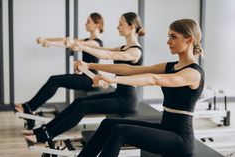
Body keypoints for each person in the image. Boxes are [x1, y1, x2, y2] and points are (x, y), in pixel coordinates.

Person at [75, 18, 204, 157]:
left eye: (173, 37)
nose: (168, 42)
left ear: (189, 39)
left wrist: (114, 79)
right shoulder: (171, 66)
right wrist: (91, 65)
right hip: (165, 128)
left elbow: (154, 79)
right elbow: (129, 69)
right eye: (168, 37)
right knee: (108, 123)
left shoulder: (193, 73)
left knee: (120, 131)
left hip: (180, 139)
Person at [24, 12, 145, 143]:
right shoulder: (123, 47)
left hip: (126, 100)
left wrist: (83, 48)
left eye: (121, 24)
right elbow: (105, 50)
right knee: (79, 102)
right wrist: (82, 46)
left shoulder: (135, 51)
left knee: (84, 107)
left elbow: (108, 56)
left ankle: (45, 136)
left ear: (132, 26)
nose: (117, 27)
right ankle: (43, 130)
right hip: (119, 94)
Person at [14, 12, 104, 114]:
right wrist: (46, 40)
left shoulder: (96, 43)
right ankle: (29, 106)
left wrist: (50, 43)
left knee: (55, 80)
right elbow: (66, 40)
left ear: (97, 24)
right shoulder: (88, 40)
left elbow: (71, 43)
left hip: (90, 80)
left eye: (88, 22)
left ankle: (29, 108)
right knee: (54, 80)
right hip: (84, 77)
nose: (85, 24)